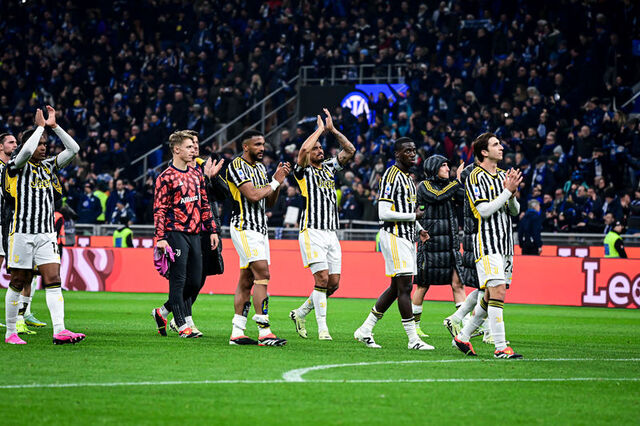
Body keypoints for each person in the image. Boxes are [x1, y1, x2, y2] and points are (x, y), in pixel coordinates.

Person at [3, 106, 83, 345]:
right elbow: (26, 151)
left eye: (45, 144)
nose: (43, 147)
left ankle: (60, 330)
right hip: (21, 232)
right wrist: (39, 128)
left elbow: (74, 149)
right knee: (18, 281)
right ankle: (10, 332)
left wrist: (54, 126)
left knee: (53, 279)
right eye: (40, 143)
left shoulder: (49, 166)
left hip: (46, 234)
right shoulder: (15, 166)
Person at [354, 137, 432, 350]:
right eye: (407, 151)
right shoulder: (391, 175)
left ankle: (365, 330)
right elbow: (383, 212)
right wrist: (413, 217)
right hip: (394, 235)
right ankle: (413, 339)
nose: (412, 154)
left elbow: (407, 210)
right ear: (397, 154)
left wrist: (419, 228)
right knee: (405, 286)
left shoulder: (408, 178)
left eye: (414, 150)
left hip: (407, 237)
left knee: (396, 288)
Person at [452, 132, 523, 359]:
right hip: (487, 243)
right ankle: (500, 347)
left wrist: (512, 194)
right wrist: (507, 191)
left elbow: (515, 211)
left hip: (506, 244)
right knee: (498, 291)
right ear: (484, 152)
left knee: (489, 295)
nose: (501, 147)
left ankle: (463, 337)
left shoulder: (503, 175)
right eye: (495, 144)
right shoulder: (475, 176)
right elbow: (483, 210)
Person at [289, 108, 356, 340]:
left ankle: (300, 313)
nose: (319, 150)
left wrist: (333, 130)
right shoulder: (302, 171)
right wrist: (318, 130)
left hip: (331, 233)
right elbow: (303, 150)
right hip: (312, 231)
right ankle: (323, 329)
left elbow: (350, 150)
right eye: (316, 148)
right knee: (322, 279)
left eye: (321, 148)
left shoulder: (329, 168)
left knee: (333, 284)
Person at [151, 130, 218, 339]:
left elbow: (204, 204)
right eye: (189, 147)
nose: (193, 150)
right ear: (177, 149)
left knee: (195, 282)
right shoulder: (165, 177)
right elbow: (159, 209)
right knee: (178, 281)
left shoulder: (196, 174)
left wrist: (212, 230)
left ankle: (162, 312)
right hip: (175, 234)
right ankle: (181, 326)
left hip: (196, 234)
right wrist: (160, 237)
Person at [226, 130, 291, 346]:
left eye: (263, 144)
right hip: (244, 227)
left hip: (260, 229)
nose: (262, 148)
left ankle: (237, 332)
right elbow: (253, 195)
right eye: (257, 144)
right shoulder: (236, 166)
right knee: (263, 273)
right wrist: (274, 183)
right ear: (246, 147)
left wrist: (276, 181)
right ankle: (265, 331)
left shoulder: (261, 168)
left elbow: (268, 202)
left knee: (247, 280)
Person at [413, 155, 465, 338]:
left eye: (447, 165)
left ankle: (465, 324)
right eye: (443, 165)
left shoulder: (451, 186)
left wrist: (465, 182)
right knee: (422, 285)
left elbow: (465, 198)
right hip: (430, 245)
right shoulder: (424, 186)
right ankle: (414, 326)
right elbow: (437, 196)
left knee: (458, 283)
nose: (447, 168)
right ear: (433, 168)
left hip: (450, 246)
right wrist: (457, 181)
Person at [0, 132, 47, 333]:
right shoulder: (8, 167)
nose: (14, 145)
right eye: (10, 142)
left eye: (16, 142)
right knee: (18, 273)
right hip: (4, 223)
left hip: (19, 223)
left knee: (29, 273)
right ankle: (17, 318)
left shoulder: (22, 165)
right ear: (0, 146)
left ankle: (24, 313)